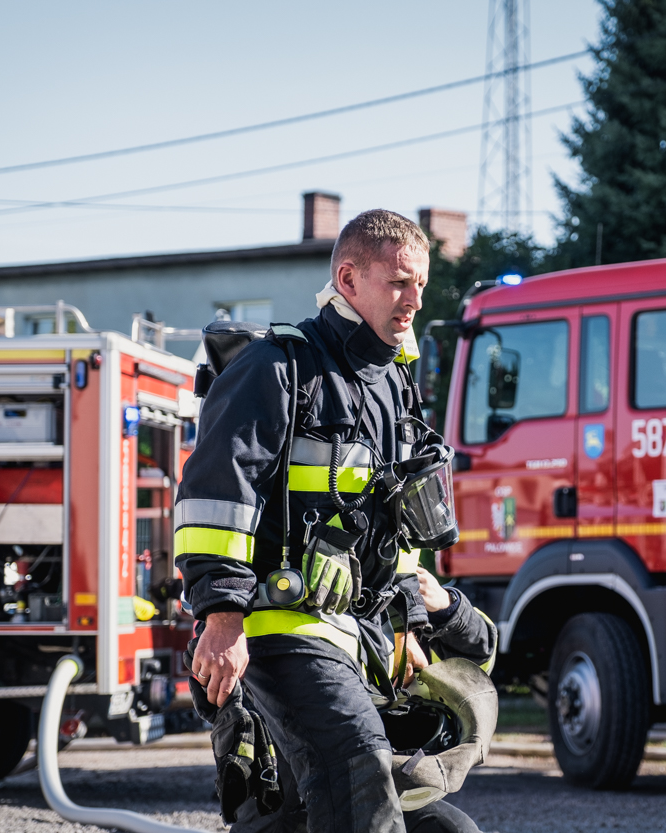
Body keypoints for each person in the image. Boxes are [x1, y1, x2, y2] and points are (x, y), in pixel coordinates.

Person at [176, 210, 490, 833]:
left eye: (420, 285)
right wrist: (222, 616)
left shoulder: (394, 385)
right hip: (280, 629)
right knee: (357, 767)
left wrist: (411, 622)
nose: (414, 300)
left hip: (361, 639)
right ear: (348, 279)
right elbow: (215, 496)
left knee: (430, 825)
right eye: (398, 282)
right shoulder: (276, 368)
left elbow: (396, 530)